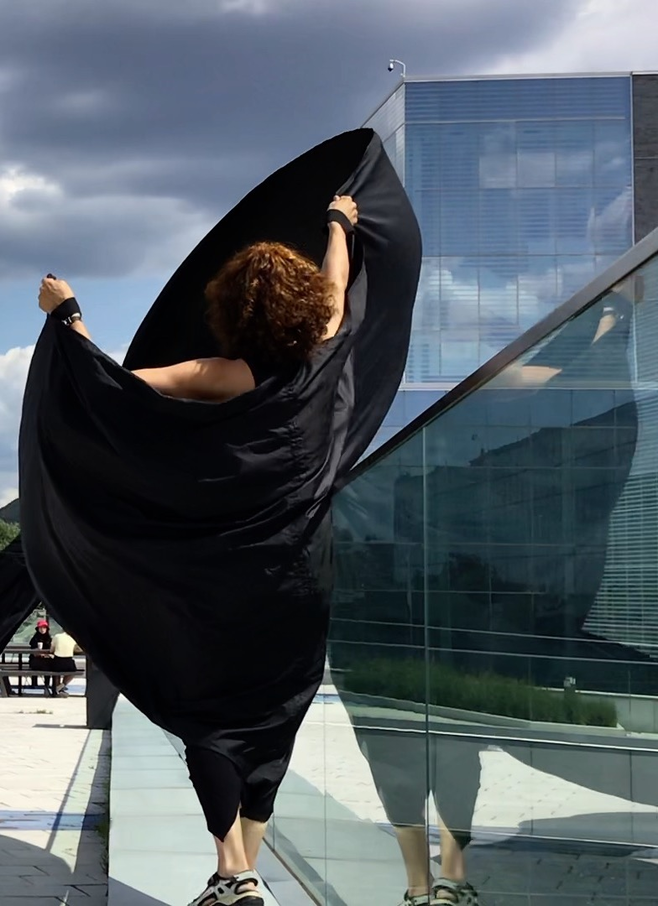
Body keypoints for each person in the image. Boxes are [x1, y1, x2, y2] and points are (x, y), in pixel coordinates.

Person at [37, 194, 359, 906]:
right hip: (302, 581)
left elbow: (109, 391)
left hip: (224, 584)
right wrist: (339, 221)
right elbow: (337, 284)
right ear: (304, 308)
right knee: (275, 721)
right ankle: (238, 879)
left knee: (210, 717)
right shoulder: (325, 357)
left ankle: (232, 870)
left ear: (233, 312)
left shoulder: (220, 375)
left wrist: (67, 315)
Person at [48, 629, 80, 697]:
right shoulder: (73, 638)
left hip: (57, 661)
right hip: (68, 661)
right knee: (73, 672)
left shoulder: (57, 636)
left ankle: (57, 688)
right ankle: (61, 686)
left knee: (56, 673)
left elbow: (51, 650)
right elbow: (77, 649)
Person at [28, 618, 52, 690]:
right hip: (35, 659)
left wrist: (46, 654)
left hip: (46, 659)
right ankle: (34, 683)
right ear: (38, 629)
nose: (42, 629)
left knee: (48, 665)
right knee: (35, 663)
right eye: (41, 628)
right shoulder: (34, 639)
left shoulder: (49, 638)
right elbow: (32, 650)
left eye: (44, 628)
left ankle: (47, 684)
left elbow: (52, 650)